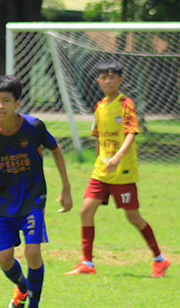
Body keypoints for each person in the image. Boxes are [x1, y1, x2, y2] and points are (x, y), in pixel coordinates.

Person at [0, 75, 72, 308]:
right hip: (3, 202)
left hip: (32, 198)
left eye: (6, 100)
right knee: (4, 258)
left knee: (32, 251)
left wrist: (66, 187)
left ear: (17, 103)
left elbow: (56, 149)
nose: (0, 106)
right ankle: (22, 287)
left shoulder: (33, 126)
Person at [64, 61, 170, 278]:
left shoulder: (126, 104)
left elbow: (131, 132)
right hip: (102, 171)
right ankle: (87, 262)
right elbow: (98, 136)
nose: (108, 81)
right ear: (99, 81)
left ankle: (160, 259)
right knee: (86, 211)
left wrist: (118, 157)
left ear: (120, 80)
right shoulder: (99, 106)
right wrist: (99, 161)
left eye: (113, 77)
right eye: (104, 77)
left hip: (123, 172)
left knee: (132, 216)